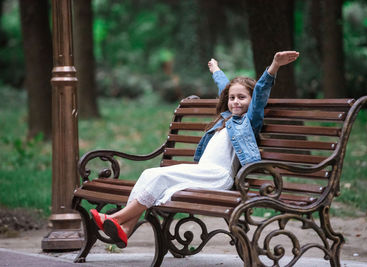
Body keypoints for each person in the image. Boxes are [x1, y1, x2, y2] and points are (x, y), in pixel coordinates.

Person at [90, 51, 300, 248]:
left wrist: (274, 65)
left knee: (159, 178)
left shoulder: (249, 121)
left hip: (218, 177)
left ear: (251, 101)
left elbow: (261, 91)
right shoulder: (225, 118)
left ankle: (115, 218)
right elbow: (224, 88)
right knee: (149, 174)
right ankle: (125, 227)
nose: (236, 102)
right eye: (232, 98)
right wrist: (216, 71)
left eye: (242, 98)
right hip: (203, 172)